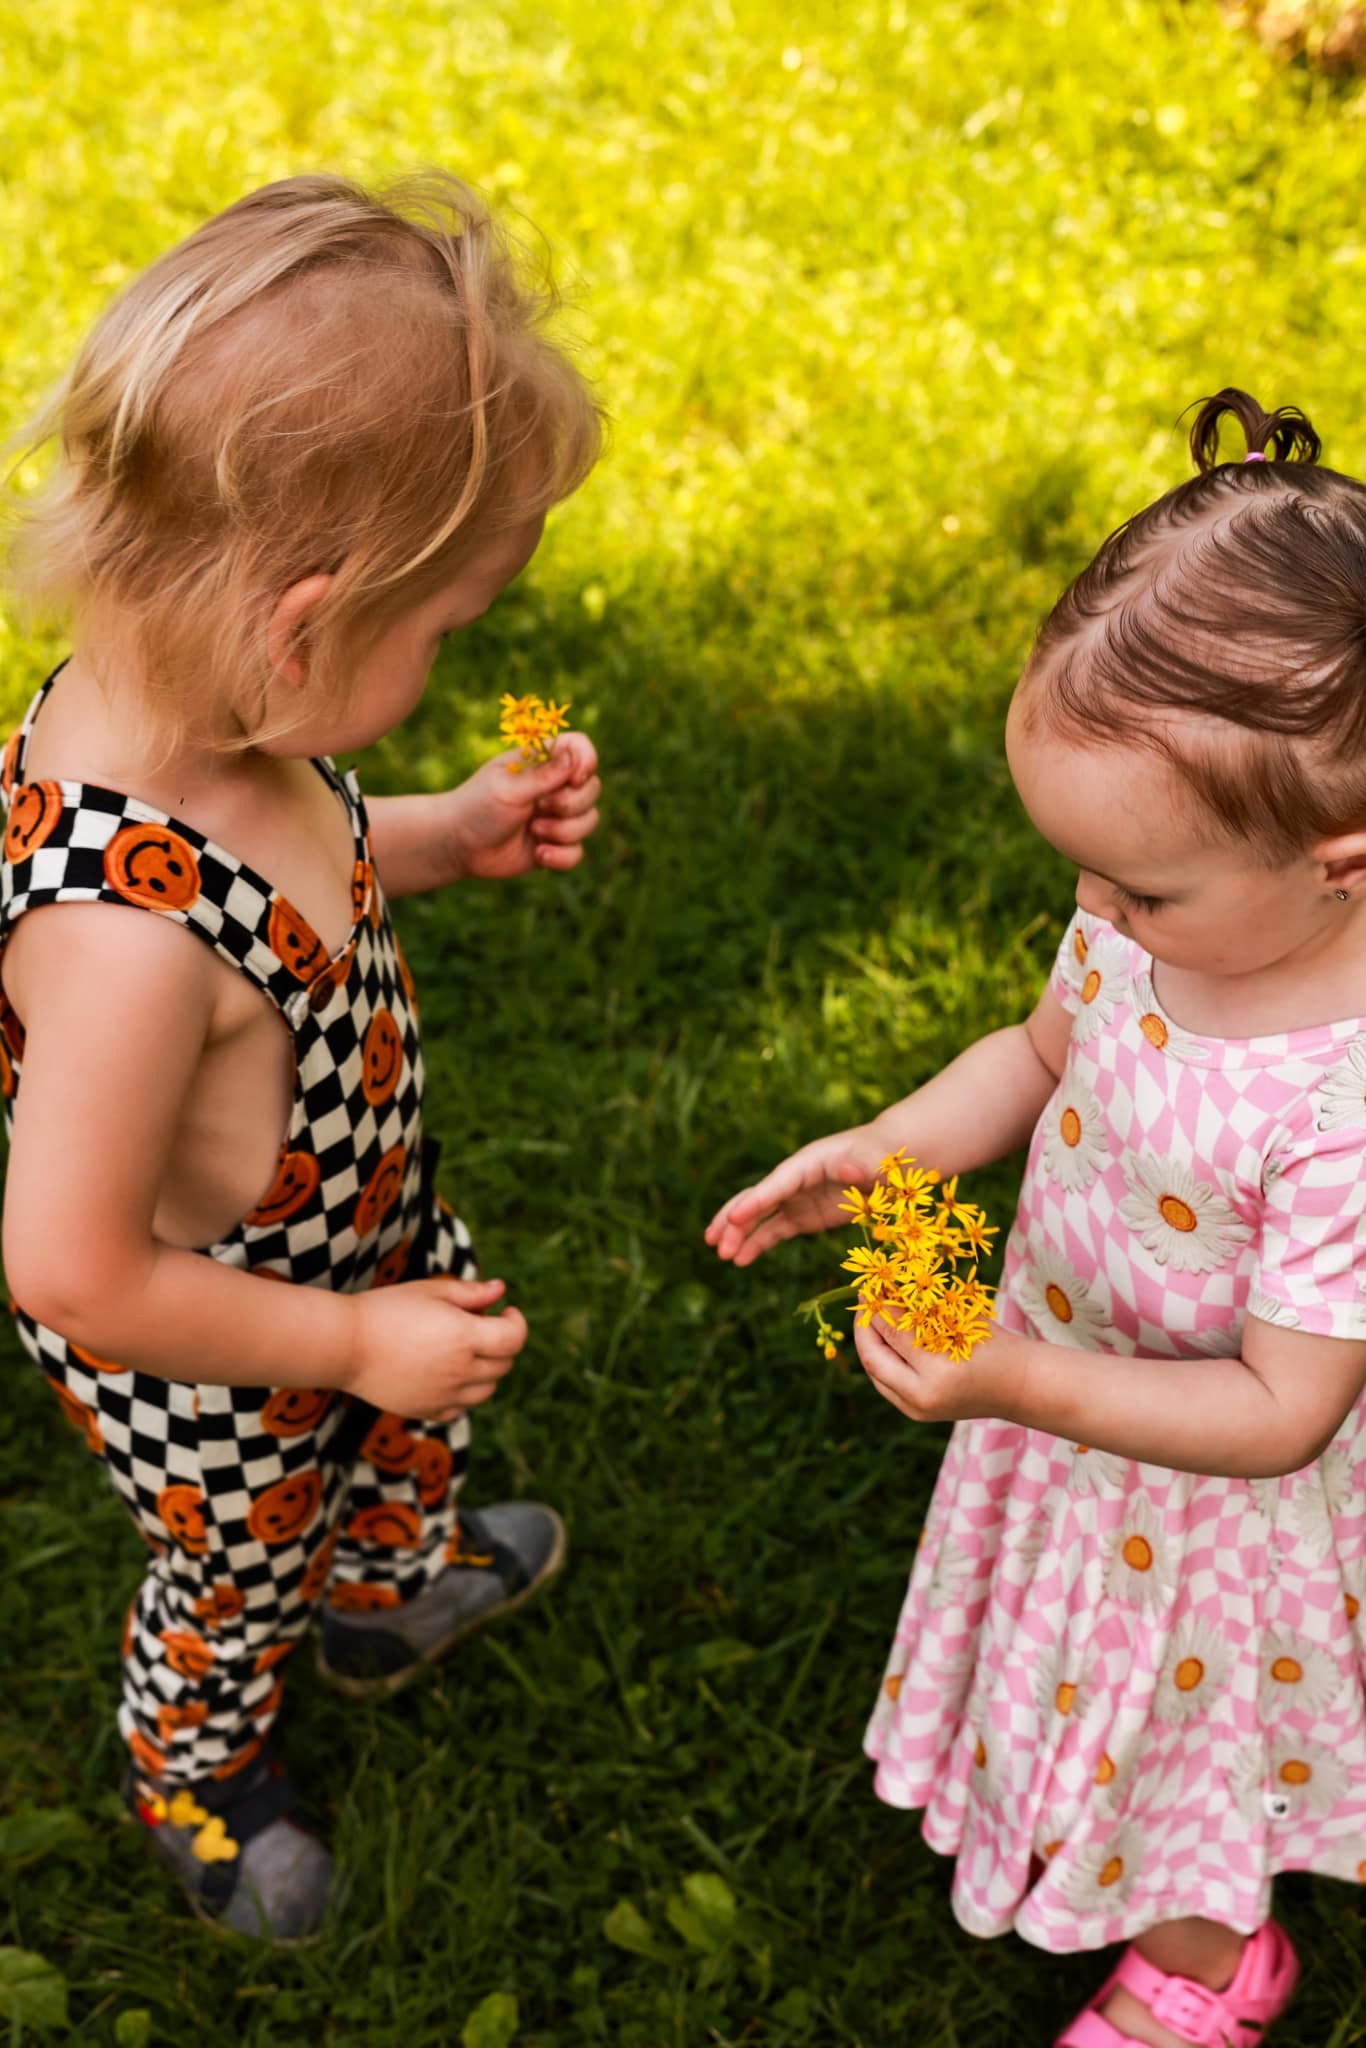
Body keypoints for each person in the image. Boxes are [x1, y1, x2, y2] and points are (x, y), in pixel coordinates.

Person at [708, 390, 1366, 2048]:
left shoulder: (1339, 1104)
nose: (1092, 914)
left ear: (1341, 864)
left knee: (1183, 1732)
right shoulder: (1151, 934)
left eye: (1137, 888)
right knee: (1095, 1693)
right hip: (1078, 1402)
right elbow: (1034, 1052)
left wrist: (1018, 1382)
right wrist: (889, 1147)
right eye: (1081, 873)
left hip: (1217, 1508)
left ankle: (1208, 1966)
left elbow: (1283, 1410)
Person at [0, 170, 602, 1941]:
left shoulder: (215, 723)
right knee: (235, 1560)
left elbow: (308, 849)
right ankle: (196, 1764)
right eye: (445, 634)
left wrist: (446, 827)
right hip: (212, 1350)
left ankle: (387, 1582)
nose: (452, 660)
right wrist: (340, 1339)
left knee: (409, 1416)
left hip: (355, 1236)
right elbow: (72, 1264)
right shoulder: (118, 948)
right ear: (303, 623)